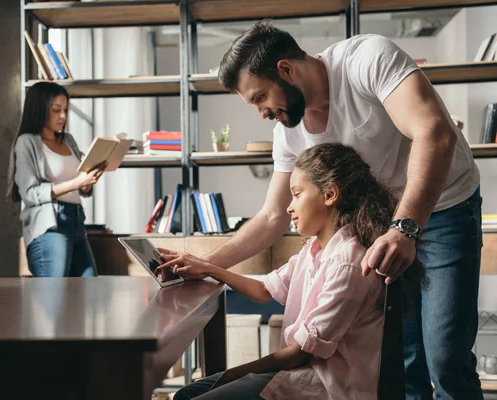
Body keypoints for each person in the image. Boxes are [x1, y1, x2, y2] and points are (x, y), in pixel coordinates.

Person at [197, 20, 483, 399]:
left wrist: (405, 228)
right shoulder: (289, 131)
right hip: (384, 226)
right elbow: (271, 216)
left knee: (446, 361)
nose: (262, 113)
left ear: (285, 69)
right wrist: (204, 267)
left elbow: (434, 131)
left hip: (444, 207)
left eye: (260, 97)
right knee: (402, 364)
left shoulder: (366, 59)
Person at [157, 143, 425, 400]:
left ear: (330, 195)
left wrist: (232, 374)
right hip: (300, 372)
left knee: (197, 395)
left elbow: (299, 354)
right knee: (187, 393)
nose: (289, 207)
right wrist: (206, 267)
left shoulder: (348, 262)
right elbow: (264, 290)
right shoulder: (315, 249)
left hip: (327, 386)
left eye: (297, 194)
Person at [7, 81, 105, 277]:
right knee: (53, 298)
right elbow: (29, 193)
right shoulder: (27, 142)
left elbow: (79, 186)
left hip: (76, 221)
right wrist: (77, 183)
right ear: (40, 109)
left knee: (90, 288)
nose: (63, 116)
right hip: (50, 225)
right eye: (56, 110)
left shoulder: (68, 140)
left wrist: (88, 180)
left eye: (66, 110)